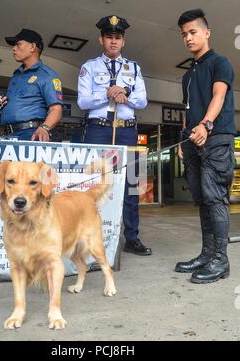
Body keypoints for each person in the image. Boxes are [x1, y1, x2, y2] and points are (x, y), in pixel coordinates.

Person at [77, 15, 152, 256]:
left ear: (123, 41)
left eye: (117, 38)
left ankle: (132, 238)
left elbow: (142, 101)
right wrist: (107, 94)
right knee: (95, 184)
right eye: (109, 37)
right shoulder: (89, 67)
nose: (113, 41)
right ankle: (89, 237)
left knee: (131, 185)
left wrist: (125, 93)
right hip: (98, 129)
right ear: (101, 39)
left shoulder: (134, 68)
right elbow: (82, 101)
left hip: (127, 130)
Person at [175, 9, 236, 283]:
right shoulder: (188, 75)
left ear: (206, 32)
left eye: (193, 32)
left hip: (215, 139)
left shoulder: (220, 62)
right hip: (193, 141)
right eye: (184, 34)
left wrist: (206, 125)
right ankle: (207, 254)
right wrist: (184, 138)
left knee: (215, 198)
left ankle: (221, 261)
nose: (188, 38)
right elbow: (188, 111)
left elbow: (218, 95)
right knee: (201, 200)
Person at [0, 28, 63, 141]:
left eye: (18, 44)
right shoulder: (17, 75)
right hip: (8, 134)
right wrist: (0, 103)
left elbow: (56, 109)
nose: (14, 48)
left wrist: (44, 128)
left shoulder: (47, 75)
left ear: (32, 47)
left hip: (31, 134)